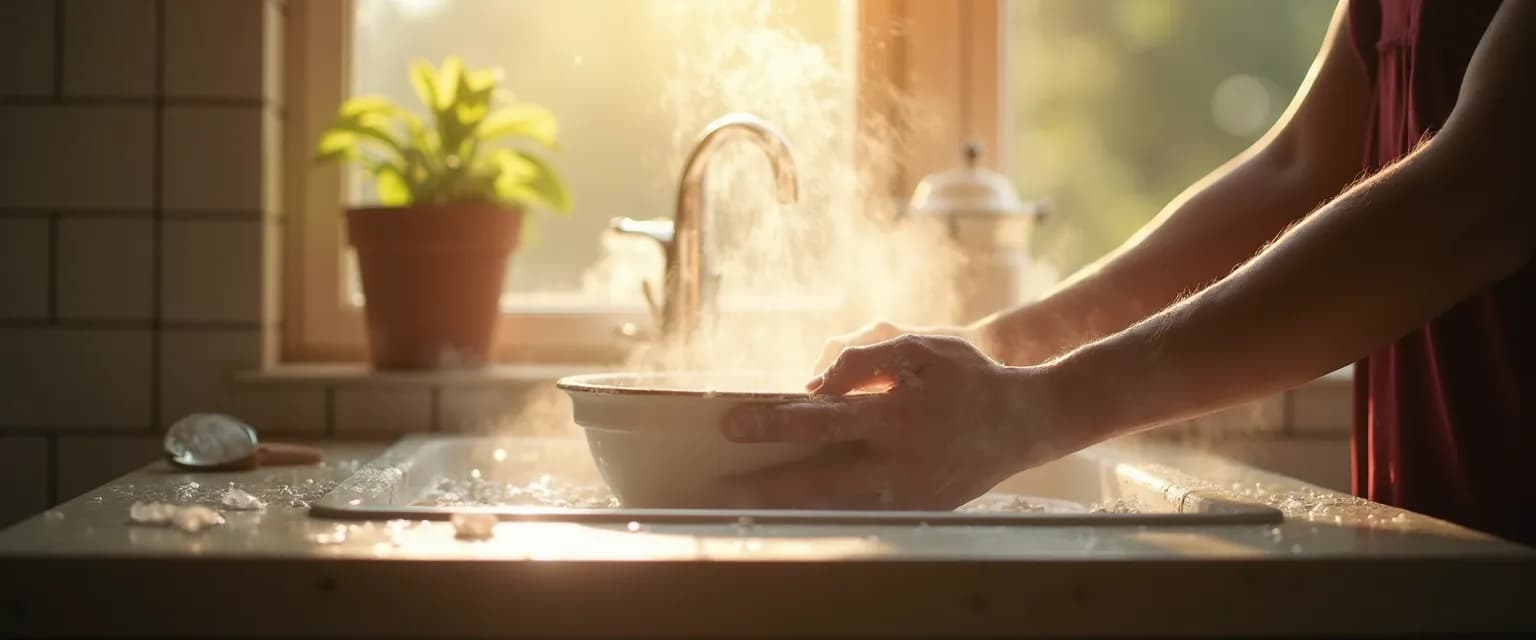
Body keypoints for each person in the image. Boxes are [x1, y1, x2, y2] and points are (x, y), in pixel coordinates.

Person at [718, 0, 1536, 545]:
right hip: (1454, 543)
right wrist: (998, 348)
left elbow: (1481, 193)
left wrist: (1035, 408)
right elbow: (1297, 170)